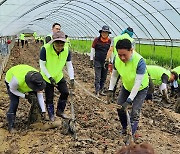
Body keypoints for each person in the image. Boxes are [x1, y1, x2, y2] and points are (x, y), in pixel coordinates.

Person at [107, 39, 149, 138]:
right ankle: (125, 128)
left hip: (140, 88)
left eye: (124, 55)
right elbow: (114, 76)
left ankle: (131, 134)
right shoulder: (116, 58)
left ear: (131, 50)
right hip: (126, 86)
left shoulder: (139, 61)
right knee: (120, 107)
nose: (122, 57)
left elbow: (137, 83)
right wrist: (110, 90)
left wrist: (129, 100)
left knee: (135, 112)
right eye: (120, 54)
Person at [39, 31, 74, 121]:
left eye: (61, 45)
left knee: (65, 92)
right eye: (57, 45)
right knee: (49, 97)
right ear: (53, 43)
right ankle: (51, 115)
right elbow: (42, 65)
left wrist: (72, 79)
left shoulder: (66, 50)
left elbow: (69, 65)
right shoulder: (45, 49)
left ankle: (60, 111)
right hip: (47, 77)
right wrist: (49, 77)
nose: (59, 47)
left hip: (58, 76)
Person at [5, 64, 46, 133]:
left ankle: (36, 118)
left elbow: (40, 94)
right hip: (11, 82)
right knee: (14, 102)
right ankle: (10, 126)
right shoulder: (17, 80)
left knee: (35, 100)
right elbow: (12, 90)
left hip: (26, 80)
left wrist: (43, 110)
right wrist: (25, 96)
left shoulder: (38, 78)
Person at [90, 25, 111, 96]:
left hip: (105, 62)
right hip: (97, 61)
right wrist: (91, 59)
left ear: (108, 34)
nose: (104, 34)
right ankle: (97, 91)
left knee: (104, 77)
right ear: (101, 33)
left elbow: (111, 51)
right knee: (97, 77)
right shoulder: (97, 40)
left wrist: (110, 61)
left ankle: (101, 90)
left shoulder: (109, 41)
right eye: (103, 32)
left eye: (106, 32)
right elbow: (92, 49)